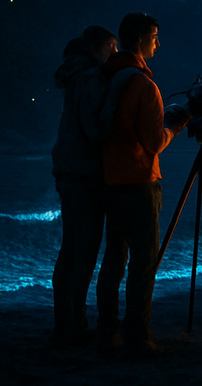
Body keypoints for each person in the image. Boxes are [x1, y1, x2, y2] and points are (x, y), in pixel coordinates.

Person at [95, 12, 187, 354]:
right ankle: (139, 336)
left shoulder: (106, 77)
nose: (158, 44)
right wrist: (175, 127)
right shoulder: (143, 84)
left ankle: (108, 332)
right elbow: (153, 142)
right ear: (138, 40)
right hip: (139, 183)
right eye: (153, 37)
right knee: (143, 264)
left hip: (110, 181)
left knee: (113, 262)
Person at [50, 25, 117, 346]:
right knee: (85, 252)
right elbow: (96, 128)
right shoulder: (90, 78)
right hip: (86, 174)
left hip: (67, 169)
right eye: (111, 46)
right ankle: (76, 324)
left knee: (70, 250)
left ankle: (63, 321)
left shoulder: (72, 76)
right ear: (95, 48)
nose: (115, 54)